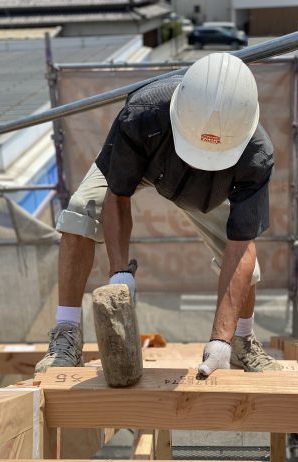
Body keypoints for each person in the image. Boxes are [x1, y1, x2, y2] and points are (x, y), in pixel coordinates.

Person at [35, 52, 281, 375]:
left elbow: (240, 247)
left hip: (212, 190)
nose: (199, 160)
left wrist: (219, 338)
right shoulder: (142, 115)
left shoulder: (256, 156)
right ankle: (66, 333)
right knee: (81, 210)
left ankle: (240, 342)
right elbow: (117, 196)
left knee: (249, 268)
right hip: (150, 159)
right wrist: (119, 272)